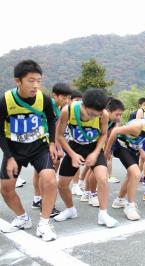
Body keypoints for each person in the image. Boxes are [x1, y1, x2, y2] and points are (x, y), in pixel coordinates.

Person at [0, 60, 58, 241]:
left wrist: (51, 143)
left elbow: (50, 120)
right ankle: (22, 218)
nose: (35, 85)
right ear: (18, 81)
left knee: (50, 180)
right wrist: (8, 156)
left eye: (38, 81)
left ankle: (44, 223)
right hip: (14, 149)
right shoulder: (6, 100)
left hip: (38, 146)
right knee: (6, 189)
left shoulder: (44, 99)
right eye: (31, 80)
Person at [55, 88, 118, 228]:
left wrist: (95, 153)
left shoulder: (103, 114)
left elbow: (103, 135)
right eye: (91, 114)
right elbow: (59, 135)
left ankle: (103, 214)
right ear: (84, 105)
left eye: (99, 114)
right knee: (62, 184)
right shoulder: (68, 111)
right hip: (74, 147)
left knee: (102, 178)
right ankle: (70, 209)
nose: (94, 117)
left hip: (94, 147)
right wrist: (72, 154)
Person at [106, 102, 145, 220]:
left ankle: (119, 200)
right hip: (120, 146)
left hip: (133, 147)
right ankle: (130, 206)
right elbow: (115, 131)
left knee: (131, 176)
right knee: (136, 173)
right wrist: (108, 150)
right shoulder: (137, 126)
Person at [31, 82, 72, 218]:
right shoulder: (51, 106)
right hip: (45, 142)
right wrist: (57, 147)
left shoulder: (58, 107)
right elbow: (53, 129)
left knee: (39, 172)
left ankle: (37, 199)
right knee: (49, 174)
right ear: (55, 95)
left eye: (68, 98)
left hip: (41, 141)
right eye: (63, 98)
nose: (66, 101)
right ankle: (45, 203)